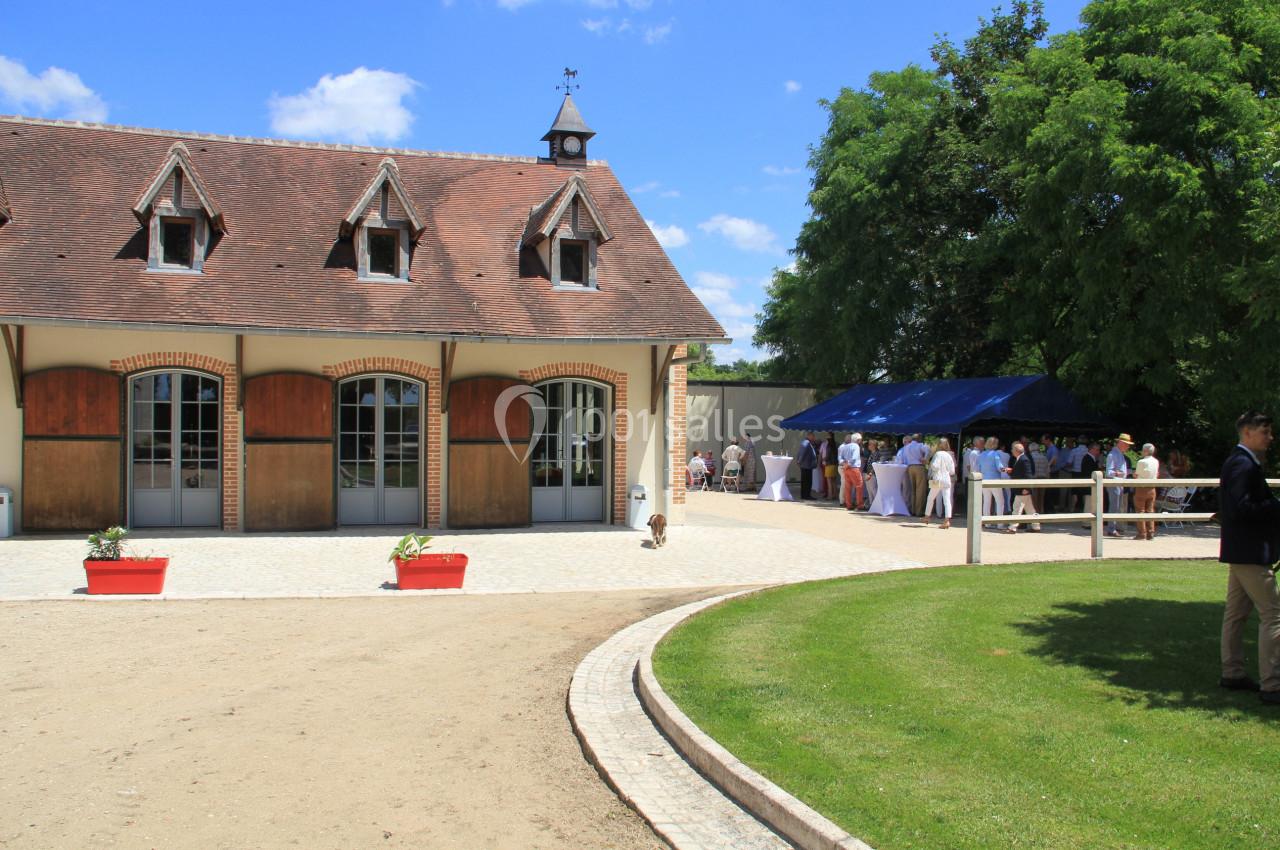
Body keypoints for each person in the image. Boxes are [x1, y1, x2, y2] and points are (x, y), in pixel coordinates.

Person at [1217, 411, 1280, 704]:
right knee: (1273, 615)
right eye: (1265, 431)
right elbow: (1242, 509)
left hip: (1241, 550)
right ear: (1247, 433)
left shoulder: (1240, 462)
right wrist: (1275, 506)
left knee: (1236, 614)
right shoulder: (1243, 464)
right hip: (1251, 552)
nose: (1270, 437)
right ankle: (1272, 684)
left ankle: (1232, 672)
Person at [1007, 441, 1041, 533]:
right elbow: (1021, 473)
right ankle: (1036, 526)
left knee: (1016, 508)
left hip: (1022, 489)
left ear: (1016, 451)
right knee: (1030, 509)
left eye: (1012, 449)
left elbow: (1028, 475)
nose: (1011, 451)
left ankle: (1012, 527)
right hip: (1023, 488)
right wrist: (1012, 471)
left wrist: (1026, 488)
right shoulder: (1021, 458)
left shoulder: (1024, 459)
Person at [924, 437, 956, 529]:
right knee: (947, 500)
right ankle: (947, 520)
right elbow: (952, 471)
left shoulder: (937, 454)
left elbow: (935, 466)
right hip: (947, 479)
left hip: (937, 478)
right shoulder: (949, 455)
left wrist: (929, 464)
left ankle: (927, 516)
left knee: (930, 497)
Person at [977, 437, 1009, 529]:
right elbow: (1000, 467)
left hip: (984, 480)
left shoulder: (981, 455)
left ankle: (987, 523)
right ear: (995, 445)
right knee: (1000, 501)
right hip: (994, 480)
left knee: (986, 502)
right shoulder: (995, 454)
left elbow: (978, 468)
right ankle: (1000, 524)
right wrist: (1006, 469)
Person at [1105, 433, 1133, 537]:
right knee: (1114, 506)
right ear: (1121, 443)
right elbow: (1108, 472)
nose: (1128, 446)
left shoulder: (1119, 454)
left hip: (1119, 483)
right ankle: (1111, 529)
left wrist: (1131, 472)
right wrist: (1119, 473)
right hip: (1114, 483)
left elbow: (1123, 471)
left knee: (1117, 507)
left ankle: (1113, 528)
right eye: (1126, 444)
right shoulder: (1112, 455)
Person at [1132, 443, 1160, 540]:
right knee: (1150, 510)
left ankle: (1142, 533)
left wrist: (1134, 475)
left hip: (1141, 488)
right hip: (1152, 488)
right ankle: (1151, 532)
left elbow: (1136, 474)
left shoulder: (1141, 462)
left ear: (1146, 451)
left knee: (1140, 510)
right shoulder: (1156, 461)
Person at [901, 433, 929, 517]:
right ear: (919, 439)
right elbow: (928, 450)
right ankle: (919, 511)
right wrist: (925, 458)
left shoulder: (907, 447)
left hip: (910, 467)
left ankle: (913, 510)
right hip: (919, 466)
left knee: (913, 489)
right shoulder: (920, 445)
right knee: (920, 489)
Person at [838, 433, 864, 511]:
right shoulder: (856, 446)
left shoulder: (845, 446)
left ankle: (848, 504)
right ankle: (859, 505)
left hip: (846, 469)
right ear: (858, 440)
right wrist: (848, 464)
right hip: (854, 468)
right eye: (860, 440)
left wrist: (844, 463)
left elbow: (840, 457)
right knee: (859, 486)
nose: (860, 441)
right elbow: (854, 457)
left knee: (848, 487)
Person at [1080, 441, 1102, 525]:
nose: (1098, 452)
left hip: (1090, 485)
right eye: (1097, 450)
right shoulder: (1088, 458)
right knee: (1088, 504)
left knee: (1090, 503)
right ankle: (1086, 522)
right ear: (1092, 449)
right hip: (1089, 485)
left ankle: (1088, 522)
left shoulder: (1091, 459)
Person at [1030, 441, 1051, 513]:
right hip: (1043, 479)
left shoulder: (1029, 458)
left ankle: (1035, 514)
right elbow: (1048, 470)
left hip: (1033, 479)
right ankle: (1041, 512)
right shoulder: (1044, 457)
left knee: (1034, 498)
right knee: (1041, 498)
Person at [797, 433, 818, 500]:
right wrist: (799, 461)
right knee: (807, 481)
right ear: (809, 436)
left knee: (805, 481)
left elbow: (799, 453)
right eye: (813, 436)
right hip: (806, 465)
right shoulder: (806, 443)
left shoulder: (806, 442)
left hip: (806, 465)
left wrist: (799, 461)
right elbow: (802, 453)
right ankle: (807, 495)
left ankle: (804, 495)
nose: (814, 437)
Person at [823, 432, 840, 501]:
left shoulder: (828, 445)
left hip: (829, 464)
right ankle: (835, 495)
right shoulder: (836, 444)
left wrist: (824, 458)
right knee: (834, 481)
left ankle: (830, 496)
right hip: (835, 464)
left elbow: (828, 455)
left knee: (829, 481)